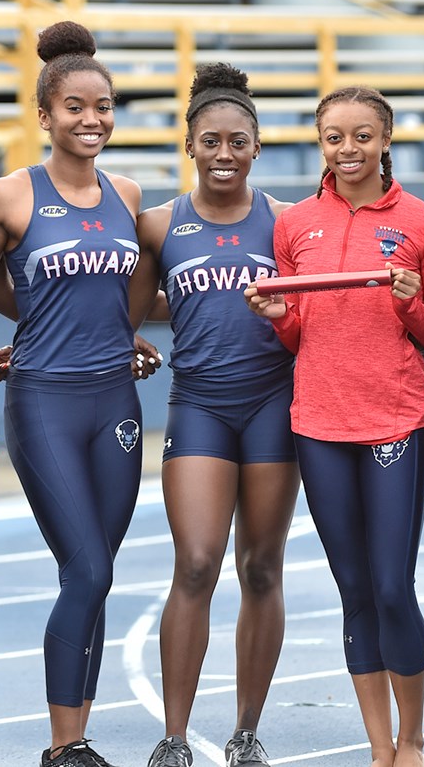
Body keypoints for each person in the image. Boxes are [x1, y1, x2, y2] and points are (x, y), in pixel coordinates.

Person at [244, 86, 424, 767]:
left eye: (363, 136)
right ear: (319, 141)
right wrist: (278, 319)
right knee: (354, 589)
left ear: (387, 138)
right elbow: (301, 336)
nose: (348, 149)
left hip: (395, 417)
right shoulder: (295, 222)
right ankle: (380, 745)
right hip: (320, 422)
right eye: (334, 137)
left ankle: (414, 738)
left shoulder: (423, 221)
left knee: (393, 585)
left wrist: (414, 306)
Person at [0, 19, 143, 767]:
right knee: (89, 569)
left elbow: (128, 287)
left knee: (96, 571)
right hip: (44, 400)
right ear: (44, 114)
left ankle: (78, 738)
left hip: (118, 403)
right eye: (74, 106)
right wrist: (33, 324)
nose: (91, 119)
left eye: (102, 106)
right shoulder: (9, 195)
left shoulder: (128, 193)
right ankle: (62, 745)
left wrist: (120, 334)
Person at [130, 63, 300, 767]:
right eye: (211, 142)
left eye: (238, 142)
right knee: (196, 563)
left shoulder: (287, 224)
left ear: (257, 147)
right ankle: (174, 737)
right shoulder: (159, 225)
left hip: (272, 405)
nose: (224, 154)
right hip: (199, 405)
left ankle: (246, 731)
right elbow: (125, 311)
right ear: (190, 146)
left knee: (261, 567)